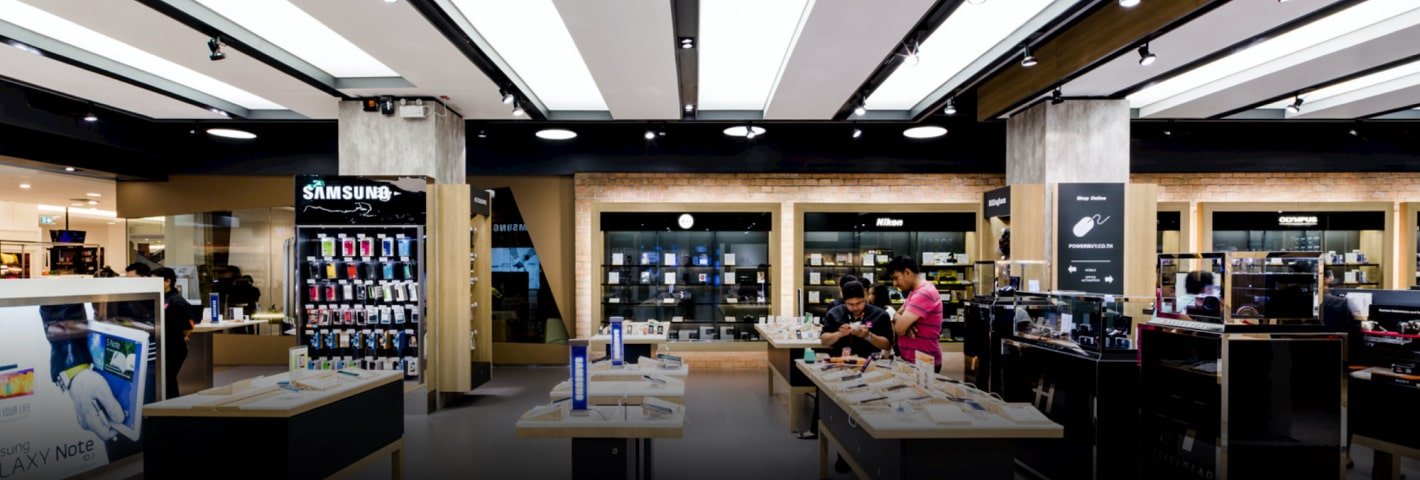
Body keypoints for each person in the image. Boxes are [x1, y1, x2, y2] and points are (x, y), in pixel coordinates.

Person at [887, 255, 943, 372]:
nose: (894, 283)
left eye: (896, 278)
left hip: (923, 363)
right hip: (915, 361)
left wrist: (901, 322)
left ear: (907, 272)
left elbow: (899, 329)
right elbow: (898, 314)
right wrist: (903, 322)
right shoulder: (915, 291)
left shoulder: (924, 293)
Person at [153, 267, 195, 398]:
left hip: (174, 347)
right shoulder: (159, 298)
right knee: (163, 380)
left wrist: (184, 336)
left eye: (155, 281)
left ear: (167, 282)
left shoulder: (177, 301)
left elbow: (189, 325)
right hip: (162, 346)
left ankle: (172, 405)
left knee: (168, 378)